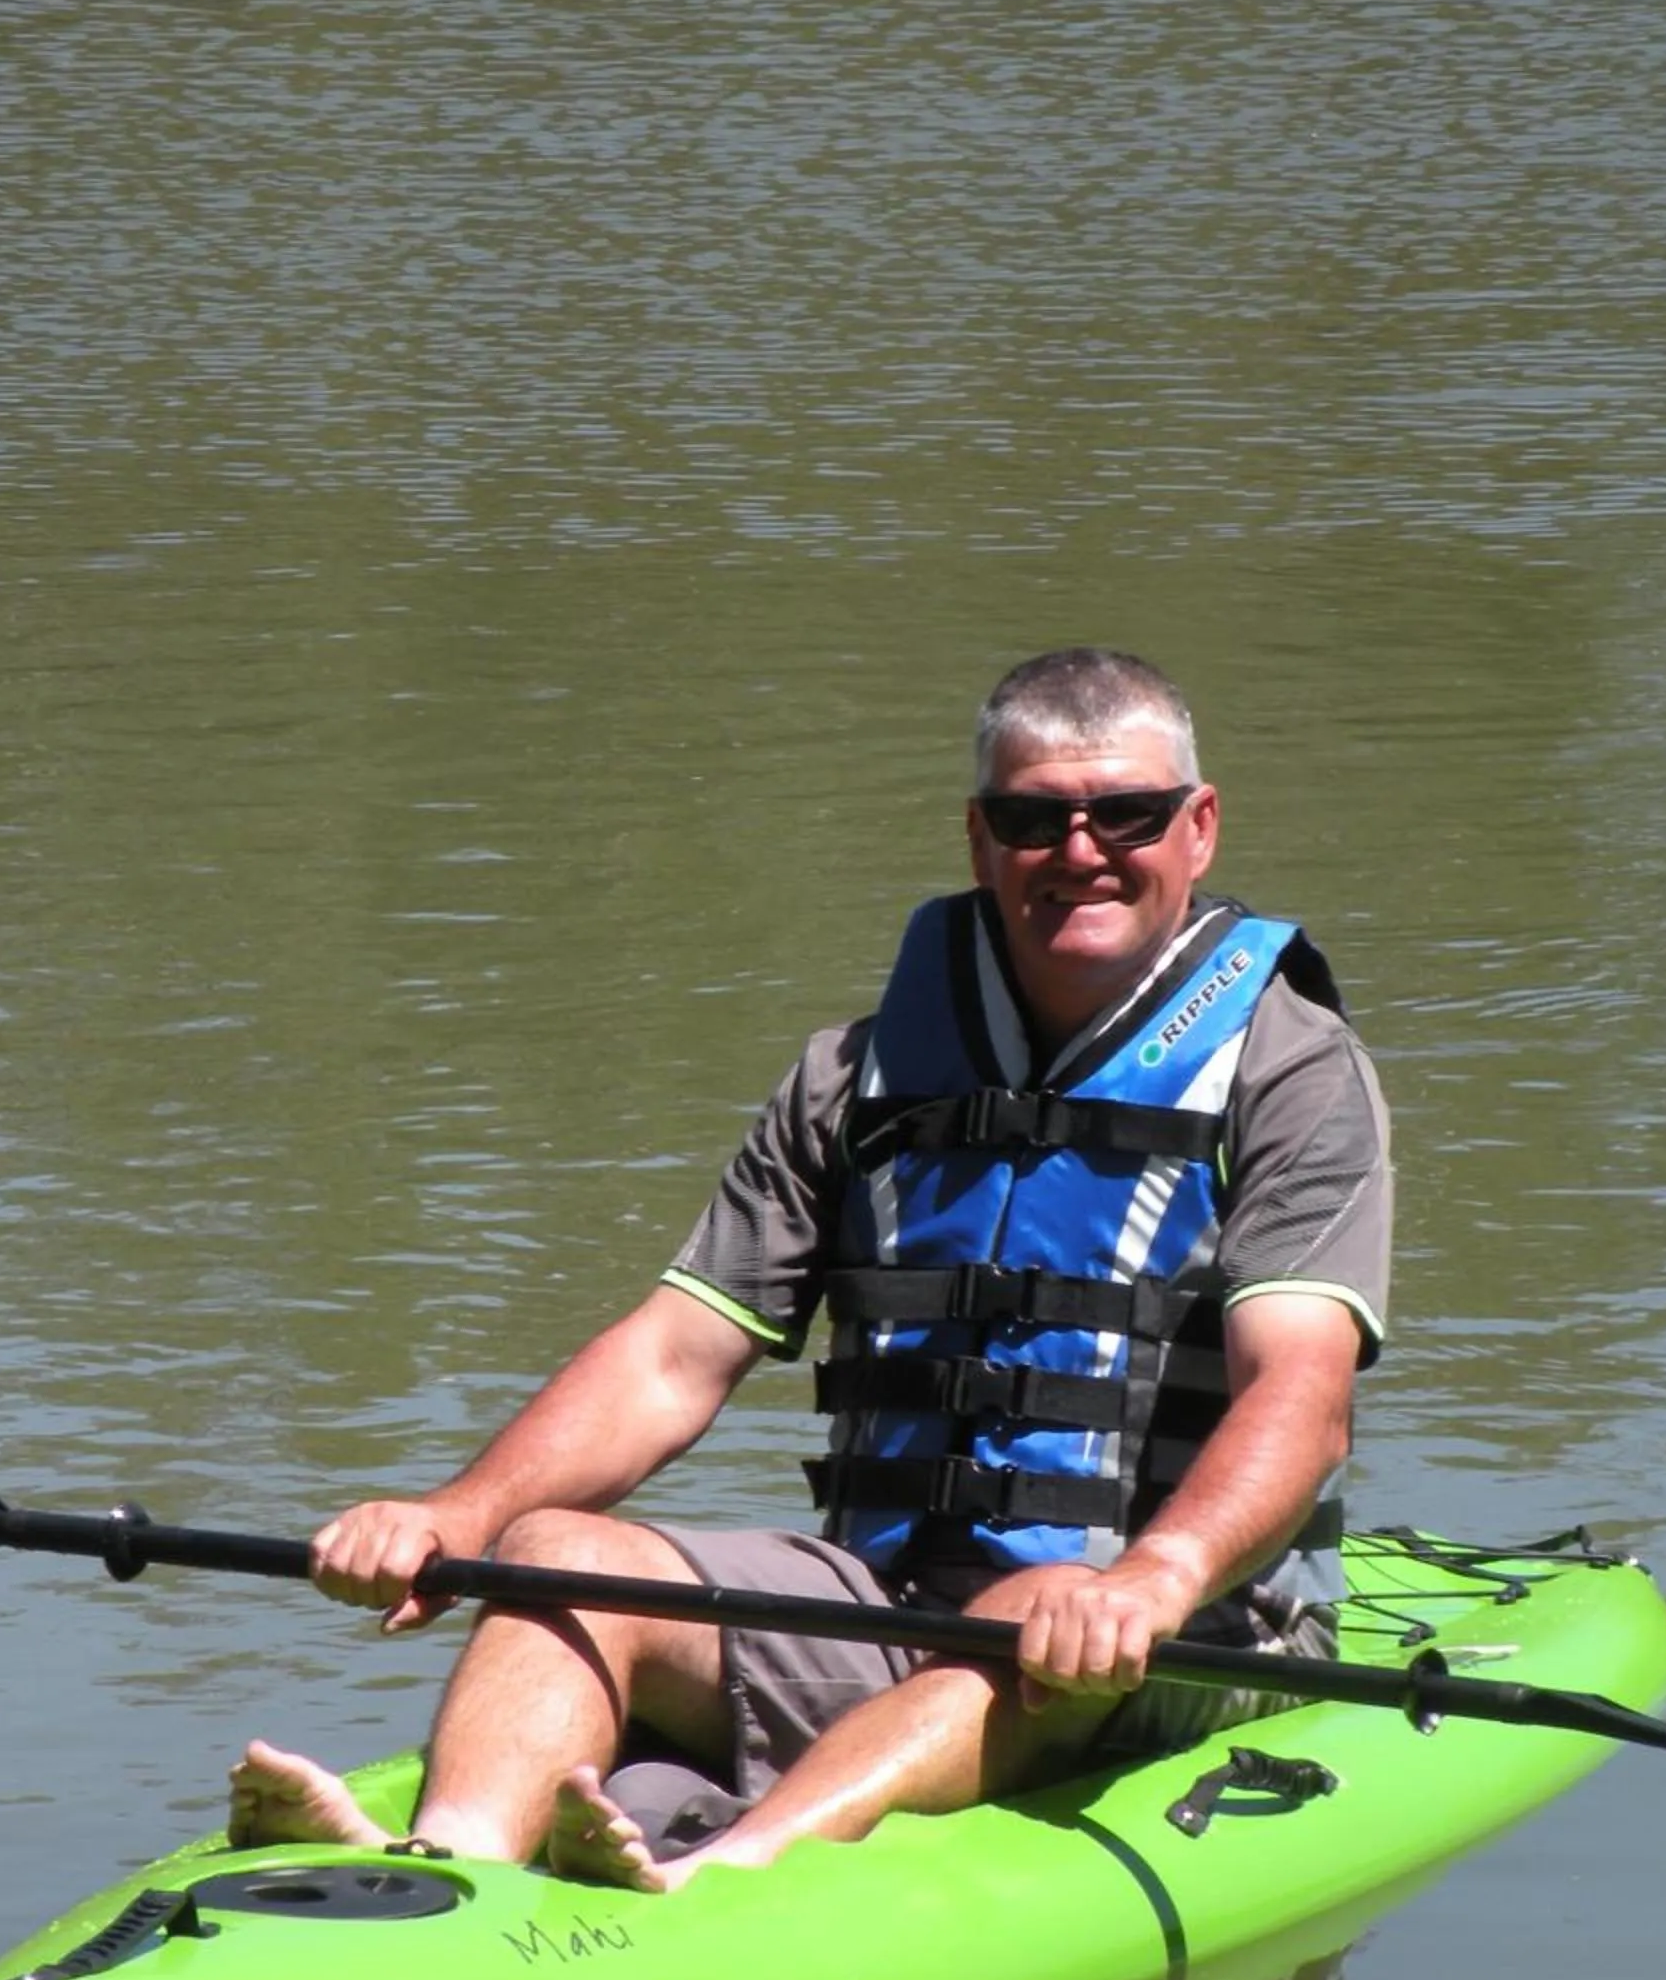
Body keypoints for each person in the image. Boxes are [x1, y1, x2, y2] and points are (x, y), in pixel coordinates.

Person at [230, 647, 1391, 1892]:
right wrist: (460, 1516)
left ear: (1198, 827)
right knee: (559, 1551)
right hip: (880, 1605)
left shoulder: (1290, 1072)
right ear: (977, 839)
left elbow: (1302, 1401)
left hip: (1177, 1633)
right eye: (1031, 818)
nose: (1079, 849)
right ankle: (445, 1864)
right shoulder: (856, 1076)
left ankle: (727, 1874)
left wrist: (1156, 1575)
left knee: (1032, 1612)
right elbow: (674, 1356)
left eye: (1127, 814)